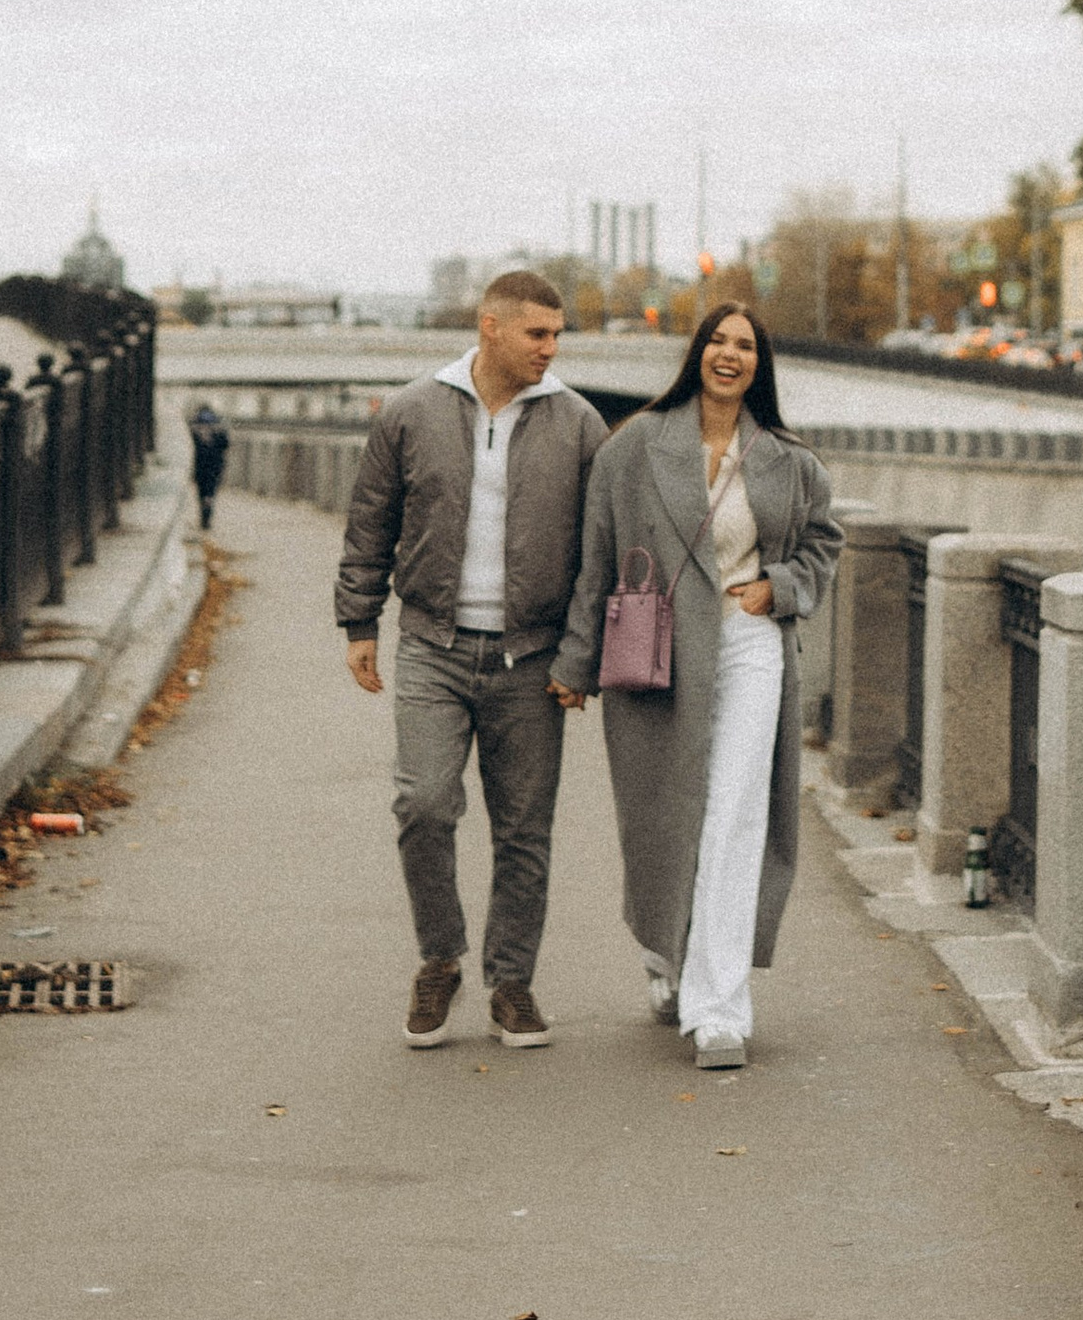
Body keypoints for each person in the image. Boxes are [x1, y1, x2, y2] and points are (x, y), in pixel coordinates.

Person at [557, 303, 841, 1073]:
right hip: (658, 649)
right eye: (718, 340)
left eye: (746, 345)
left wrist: (778, 587)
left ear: (760, 363)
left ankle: (719, 1009)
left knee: (734, 815)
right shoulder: (636, 447)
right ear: (697, 352)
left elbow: (824, 542)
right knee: (661, 815)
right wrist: (574, 665)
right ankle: (667, 954)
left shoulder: (787, 459)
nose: (730, 354)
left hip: (751, 645)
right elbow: (598, 558)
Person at [336, 271, 607, 1051]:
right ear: (492, 328)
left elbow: (599, 554)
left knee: (525, 830)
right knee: (423, 805)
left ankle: (512, 984)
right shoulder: (413, 412)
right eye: (538, 334)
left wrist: (580, 657)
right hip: (432, 647)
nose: (551, 349)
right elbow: (370, 521)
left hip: (535, 657)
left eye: (557, 335)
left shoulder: (579, 423)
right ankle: (440, 957)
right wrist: (359, 619)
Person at [187, 400, 229, 534]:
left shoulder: (195, 429)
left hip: (200, 466)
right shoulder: (218, 428)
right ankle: (207, 515)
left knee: (201, 492)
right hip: (215, 466)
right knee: (210, 492)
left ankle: (203, 517)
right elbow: (226, 445)